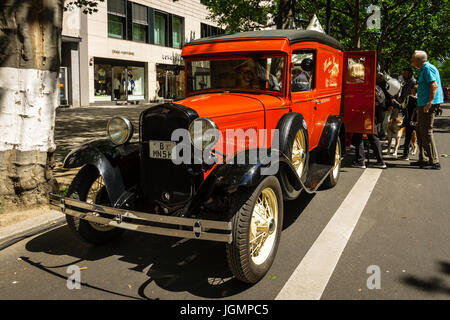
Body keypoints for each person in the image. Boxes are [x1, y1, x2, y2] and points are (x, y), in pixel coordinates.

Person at [410, 50, 444, 169]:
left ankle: (434, 161)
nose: (412, 61)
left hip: (427, 104)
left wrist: (429, 102)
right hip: (423, 103)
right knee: (419, 130)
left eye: (413, 59)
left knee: (426, 131)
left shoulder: (427, 68)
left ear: (419, 60)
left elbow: (434, 85)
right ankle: (423, 158)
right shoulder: (425, 68)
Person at [352, 83, 387, 169]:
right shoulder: (376, 87)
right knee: (373, 137)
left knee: (358, 136)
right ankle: (380, 161)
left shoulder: (364, 88)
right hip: (372, 115)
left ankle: (360, 161)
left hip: (364, 114)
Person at [399, 84, 418, 160]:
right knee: (421, 138)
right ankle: (424, 156)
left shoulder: (409, 97)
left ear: (413, 90)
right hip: (418, 120)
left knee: (408, 138)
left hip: (410, 120)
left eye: (411, 88)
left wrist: (394, 102)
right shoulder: (421, 98)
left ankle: (405, 155)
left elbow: (402, 106)